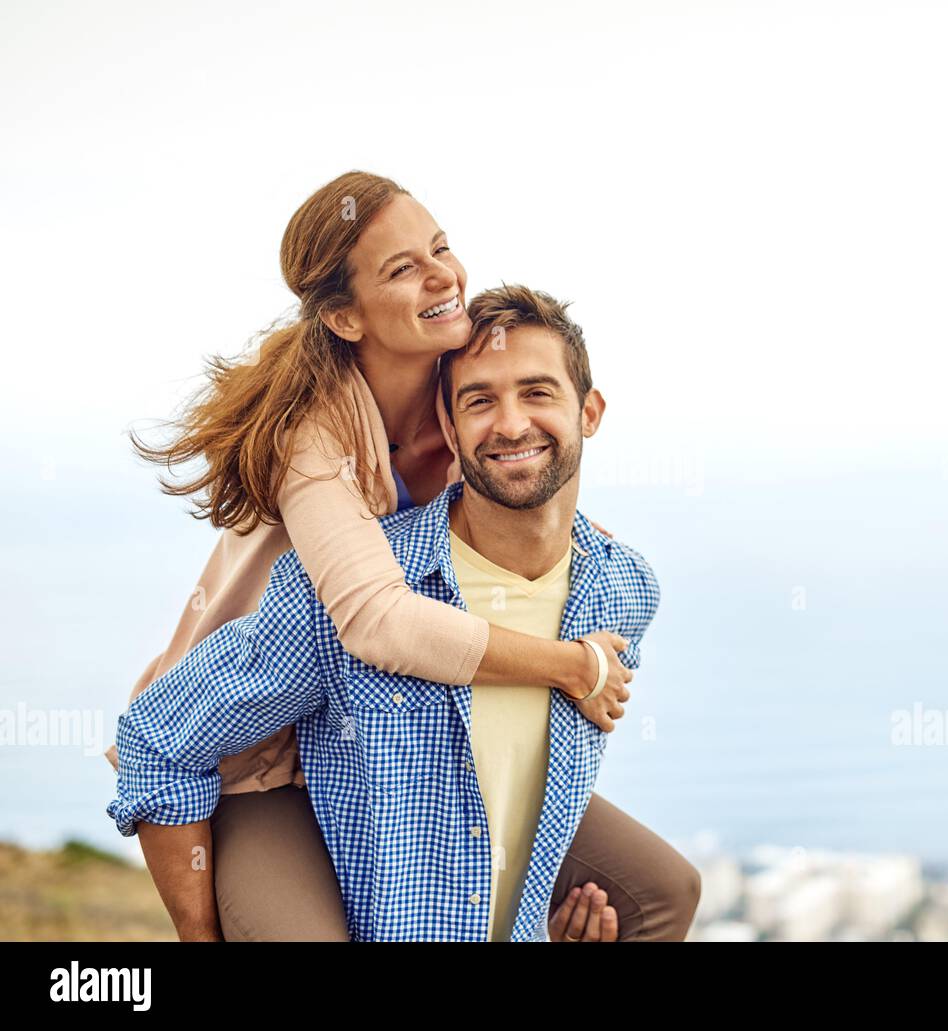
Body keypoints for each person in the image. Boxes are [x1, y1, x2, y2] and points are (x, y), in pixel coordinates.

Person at [108, 171, 699, 941]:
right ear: (345, 316)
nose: (443, 276)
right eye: (402, 269)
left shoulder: (457, 397)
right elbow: (378, 621)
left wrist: (594, 547)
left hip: (387, 720)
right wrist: (570, 665)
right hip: (254, 743)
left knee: (659, 891)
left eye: (441, 248)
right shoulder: (314, 435)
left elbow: (527, 481)